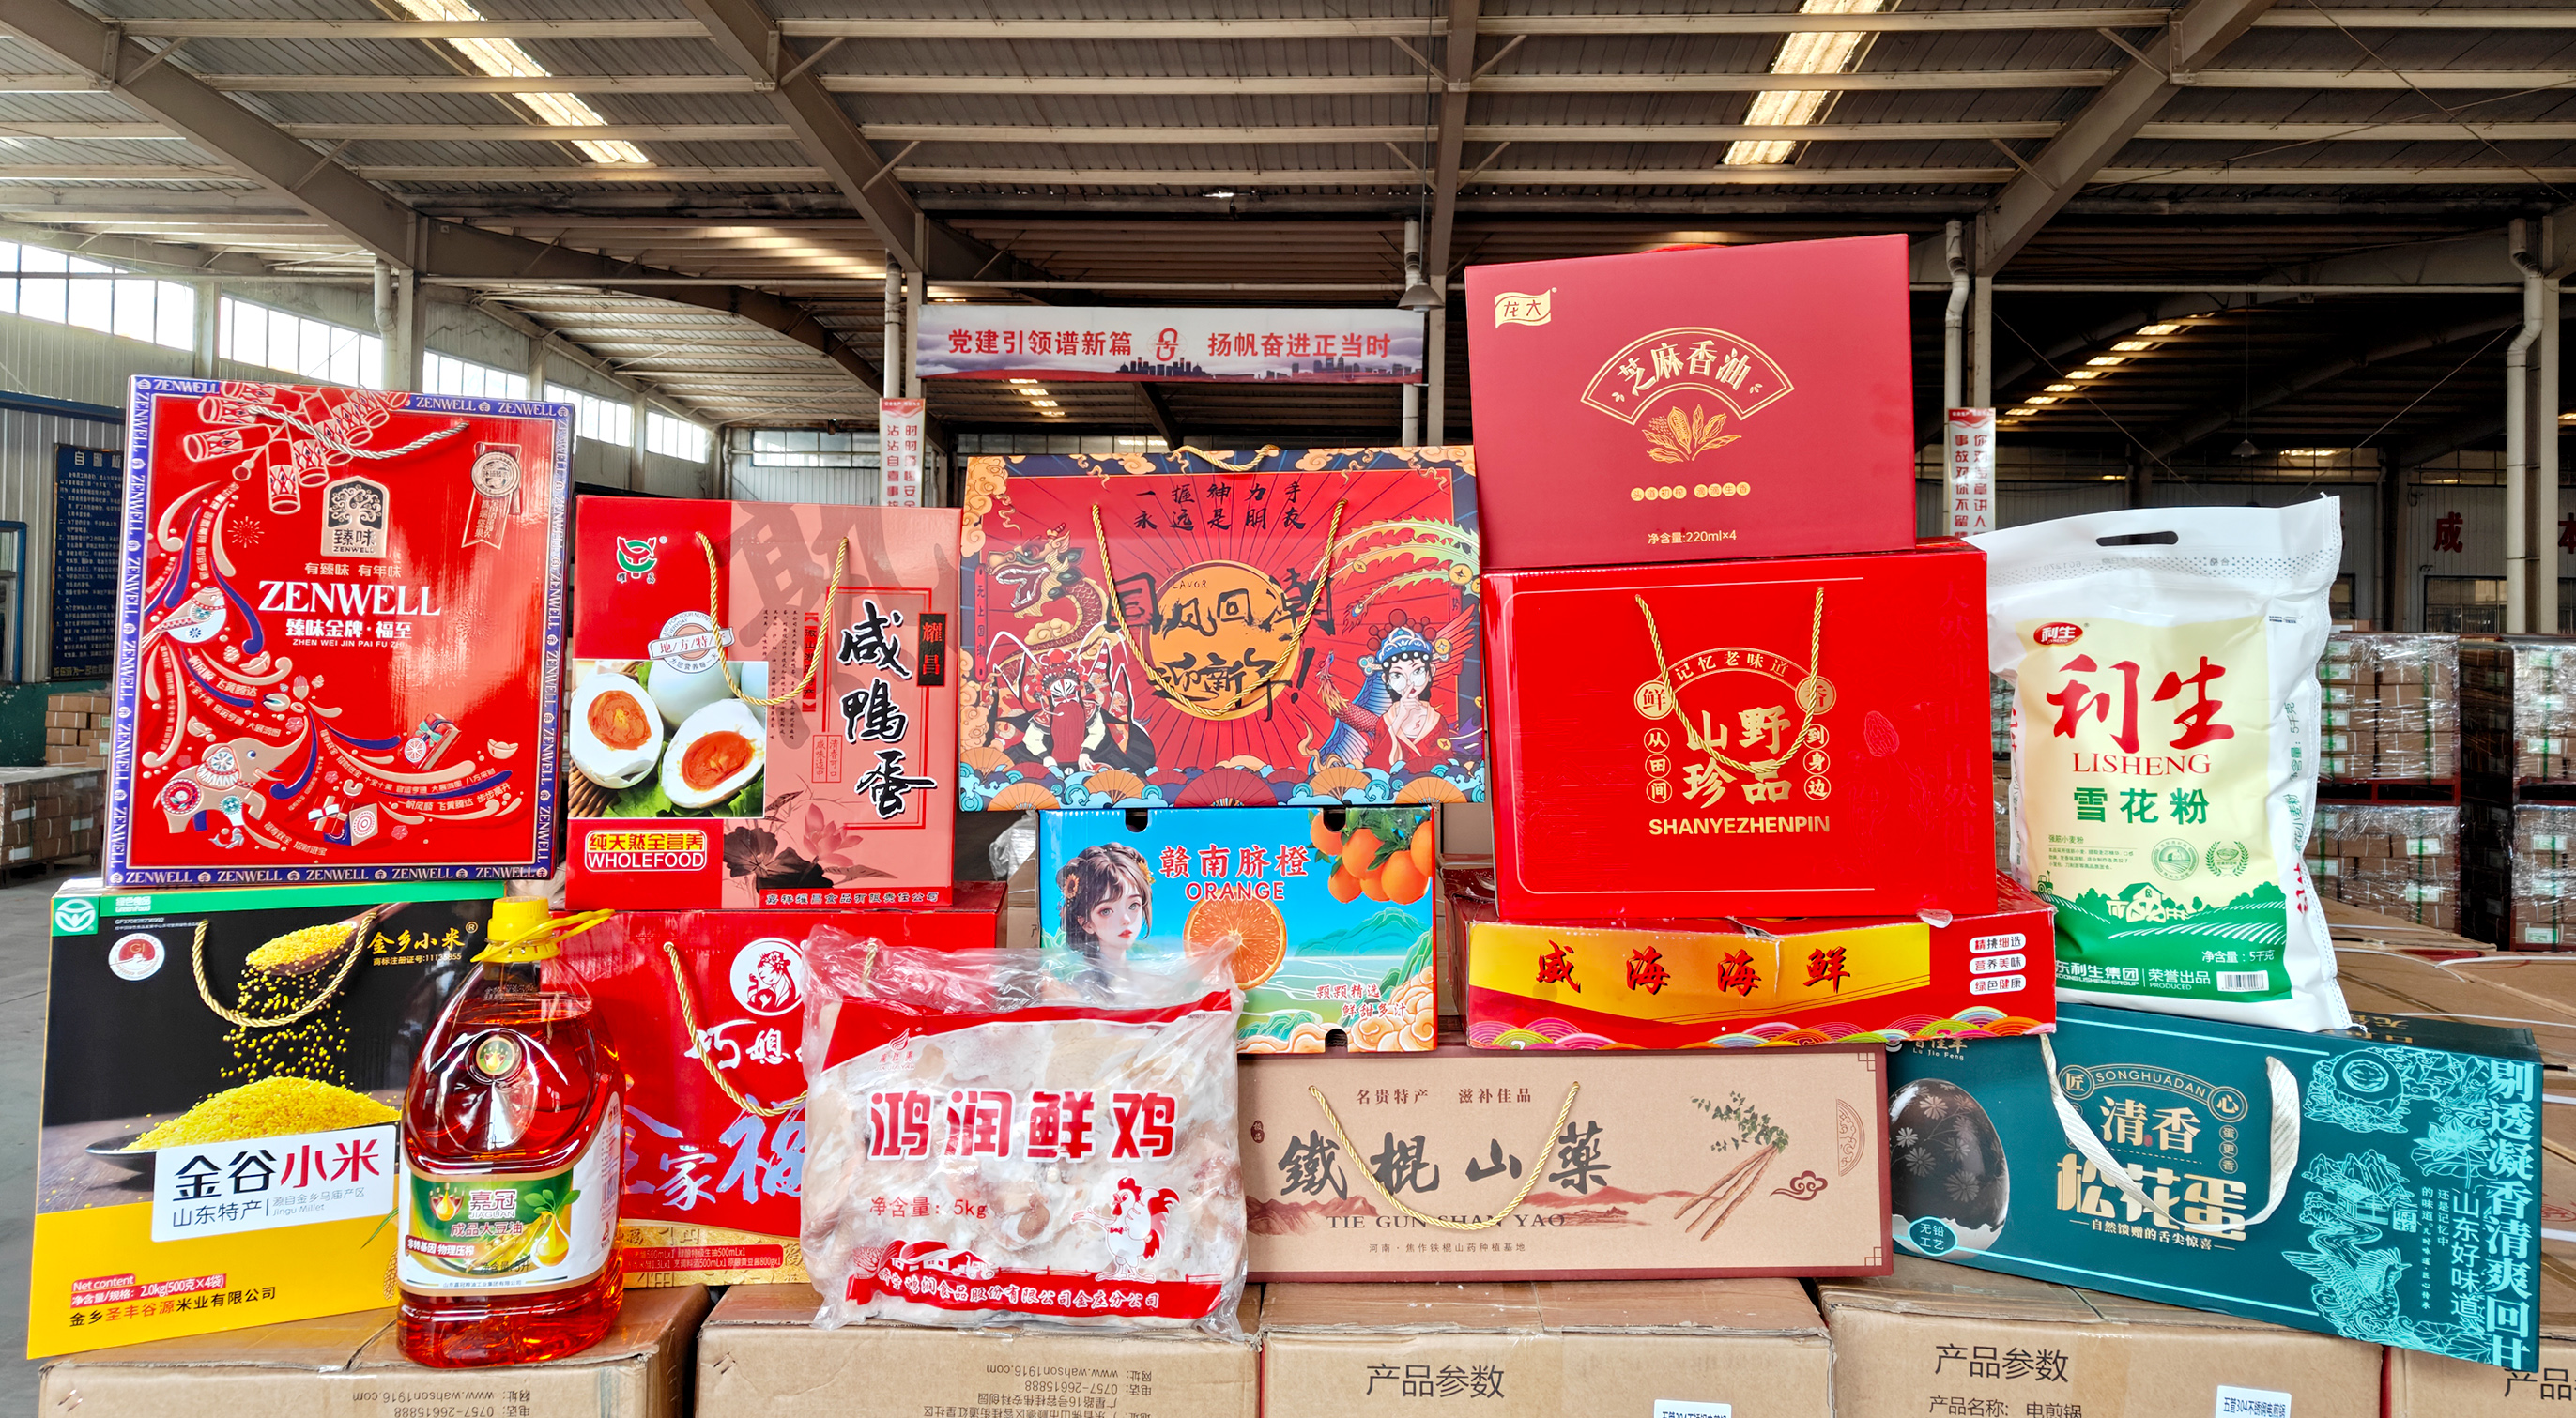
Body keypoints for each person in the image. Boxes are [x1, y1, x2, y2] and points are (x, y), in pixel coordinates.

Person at [1317, 621, 1446, 772]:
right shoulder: (1386, 721)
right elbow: (1376, 766)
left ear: (1430, 672)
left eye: (1417, 672)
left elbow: (1446, 761)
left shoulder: (1435, 720)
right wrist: (1399, 720)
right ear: (1386, 680)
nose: (1408, 682)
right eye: (1397, 675)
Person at [1056, 842, 1153, 964]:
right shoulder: (1082, 976)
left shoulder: (1148, 969)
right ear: (1086, 924)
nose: (1126, 919)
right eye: (1106, 911)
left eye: (1133, 906)